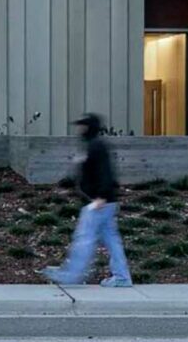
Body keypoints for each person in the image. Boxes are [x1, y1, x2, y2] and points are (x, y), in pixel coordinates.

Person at [42, 112, 132, 287]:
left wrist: (101, 197)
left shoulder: (96, 146)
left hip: (98, 202)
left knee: (84, 238)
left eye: (82, 125)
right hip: (103, 201)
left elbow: (104, 173)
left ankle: (71, 276)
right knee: (112, 240)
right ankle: (122, 277)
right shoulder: (92, 145)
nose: (79, 129)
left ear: (89, 127)